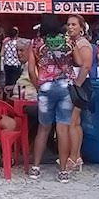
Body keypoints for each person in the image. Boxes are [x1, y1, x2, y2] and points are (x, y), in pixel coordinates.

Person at [28, 14, 75, 183]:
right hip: (65, 87)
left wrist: (38, 86)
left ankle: (35, 168)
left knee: (43, 129)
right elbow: (77, 60)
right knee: (63, 129)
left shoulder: (36, 43)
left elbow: (31, 69)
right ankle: (63, 171)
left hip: (46, 87)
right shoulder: (68, 41)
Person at [66, 15, 92, 173]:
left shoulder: (82, 43)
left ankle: (73, 157)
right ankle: (77, 156)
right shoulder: (73, 42)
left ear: (81, 28)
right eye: (68, 24)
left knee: (72, 122)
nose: (70, 27)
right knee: (75, 122)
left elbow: (86, 66)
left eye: (73, 24)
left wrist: (77, 85)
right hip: (75, 85)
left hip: (80, 85)